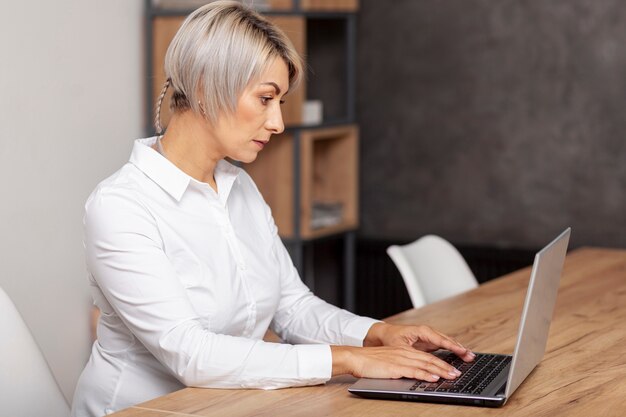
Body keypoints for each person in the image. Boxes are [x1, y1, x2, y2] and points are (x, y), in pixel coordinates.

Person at [71, 2, 475, 416]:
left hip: (227, 405)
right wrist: (348, 359)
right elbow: (191, 354)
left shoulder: (238, 186)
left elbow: (293, 307)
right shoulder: (121, 207)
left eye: (279, 102)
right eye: (265, 99)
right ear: (208, 88)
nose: (277, 123)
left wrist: (378, 334)